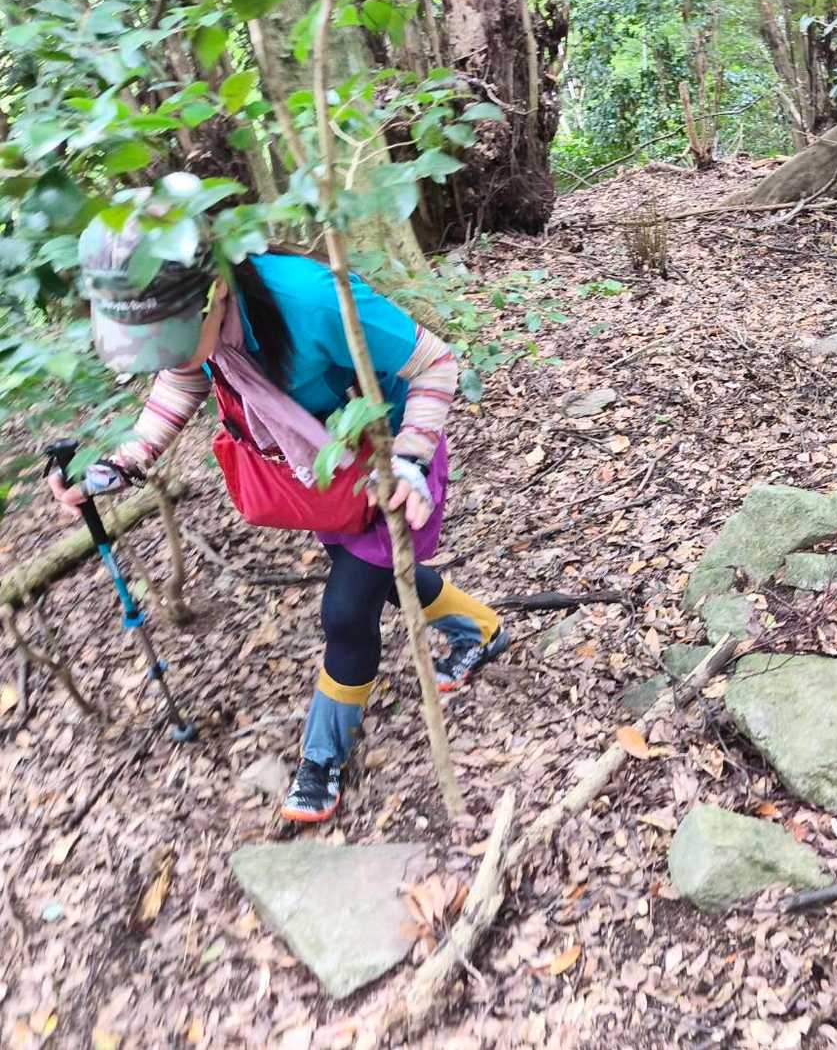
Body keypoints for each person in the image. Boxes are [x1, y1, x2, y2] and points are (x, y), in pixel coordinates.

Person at [49, 211, 510, 824]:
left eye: (172, 335)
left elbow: (436, 363)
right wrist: (120, 463)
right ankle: (480, 628)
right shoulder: (198, 328)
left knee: (346, 613)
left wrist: (408, 462)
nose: (169, 351)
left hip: (388, 461)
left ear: (215, 290)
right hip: (319, 468)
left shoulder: (311, 300)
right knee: (373, 580)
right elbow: (182, 381)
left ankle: (322, 759)